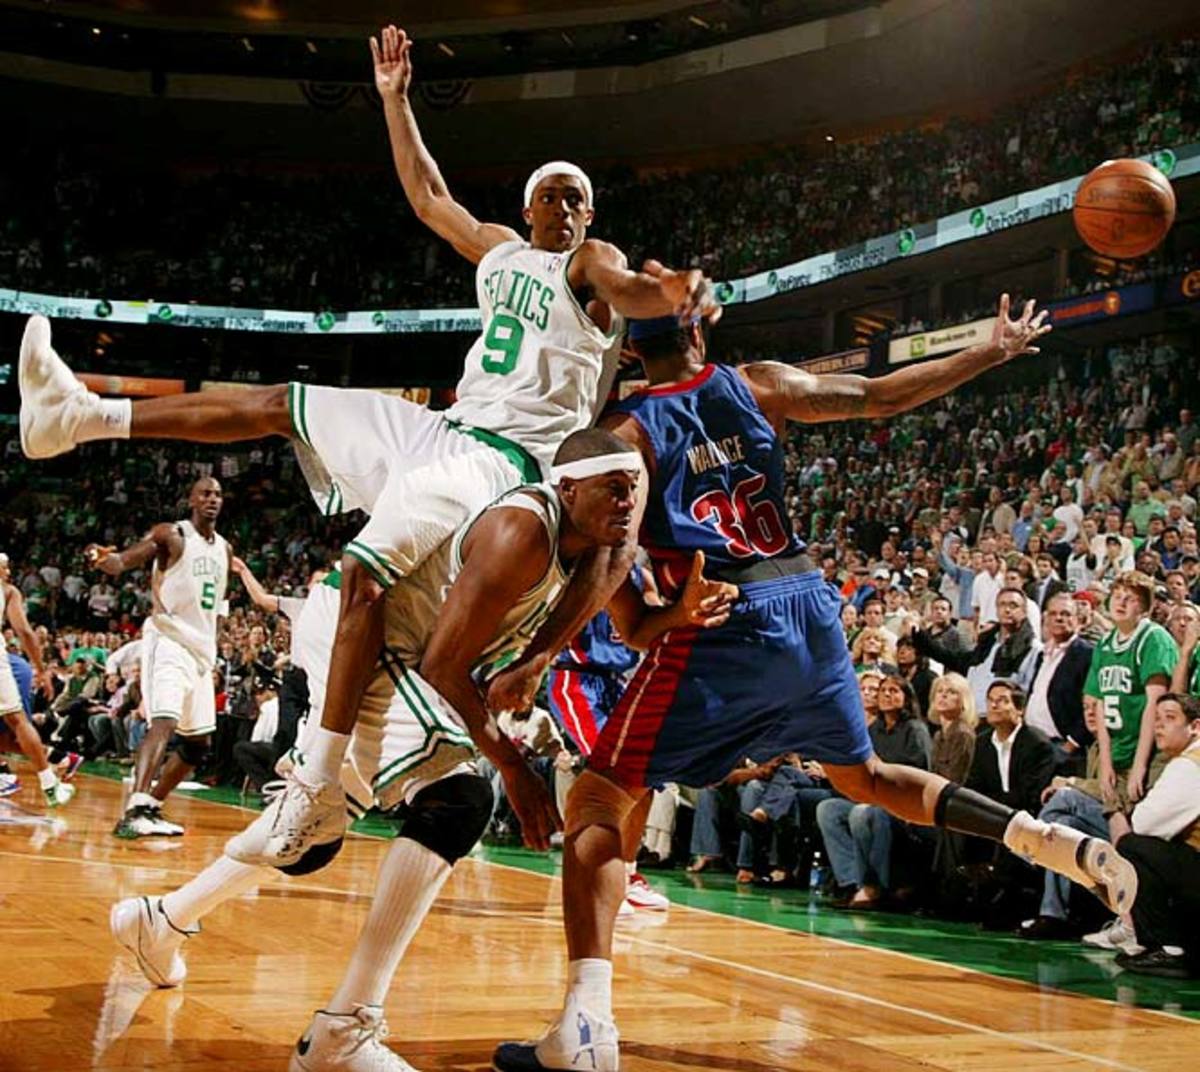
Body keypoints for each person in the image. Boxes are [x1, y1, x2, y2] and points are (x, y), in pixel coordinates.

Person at [18, 31, 721, 867]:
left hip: (501, 464)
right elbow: (428, 197)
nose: (563, 209)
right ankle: (80, 415)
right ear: (527, 208)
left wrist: (676, 291)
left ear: (589, 216)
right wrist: (394, 99)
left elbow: (632, 288)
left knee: (365, 580)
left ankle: (325, 775)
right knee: (281, 404)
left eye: (576, 199)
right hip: (441, 430)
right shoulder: (501, 253)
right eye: (551, 197)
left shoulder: (589, 265)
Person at [492, 297, 1137, 1072]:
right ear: (698, 328)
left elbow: (612, 558)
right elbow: (879, 394)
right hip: (808, 599)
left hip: (726, 611)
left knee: (598, 798)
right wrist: (988, 350)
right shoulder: (757, 383)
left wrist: (537, 655)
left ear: (630, 355)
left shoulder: (629, 434)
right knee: (863, 777)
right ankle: (1038, 837)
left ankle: (585, 1030)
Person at [111, 432, 723, 1072]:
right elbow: (444, 665)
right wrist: (514, 768)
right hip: (374, 642)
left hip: (412, 658)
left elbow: (633, 628)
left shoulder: (593, 546)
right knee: (461, 797)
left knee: (322, 817)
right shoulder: (522, 532)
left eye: (634, 489)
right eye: (614, 489)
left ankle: (160, 920)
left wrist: (680, 614)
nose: (628, 503)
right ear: (568, 489)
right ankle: (342, 1031)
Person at [85, 477, 231, 838]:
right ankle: (134, 808)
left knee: (198, 744)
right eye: (205, 494)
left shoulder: (225, 549)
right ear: (191, 500)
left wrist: (215, 646)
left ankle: (150, 806)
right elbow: (123, 561)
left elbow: (221, 605)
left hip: (201, 652)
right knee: (163, 722)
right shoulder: (172, 534)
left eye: (217, 494)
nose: (212, 499)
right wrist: (102, 558)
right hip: (169, 640)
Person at [1113, 693, 1200, 979]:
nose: (1159, 726)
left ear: (1195, 726)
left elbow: (1143, 822)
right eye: (1157, 719)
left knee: (1132, 846)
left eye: (1170, 718)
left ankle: (1169, 948)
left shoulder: (1189, 764)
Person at [1086, 571, 1178, 810]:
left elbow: (1155, 705)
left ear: (1145, 607)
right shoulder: (1104, 643)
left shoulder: (1153, 638)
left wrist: (1140, 764)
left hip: (1149, 750)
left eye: (1131, 598)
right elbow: (1100, 703)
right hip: (1116, 748)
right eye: (1117, 596)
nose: (1121, 602)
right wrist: (1105, 762)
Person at [0, 551, 74, 806]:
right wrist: (42, 671)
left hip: (13, 666)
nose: (9, 572)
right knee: (18, 720)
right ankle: (49, 783)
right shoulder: (8, 591)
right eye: (5, 567)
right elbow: (24, 631)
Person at [1022, 593, 1095, 775]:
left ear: (1078, 620)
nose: (1059, 618)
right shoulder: (1043, 654)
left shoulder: (1087, 654)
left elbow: (1092, 704)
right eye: (1053, 614)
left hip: (1062, 750)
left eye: (1065, 614)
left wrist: (1071, 744)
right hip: (1032, 743)